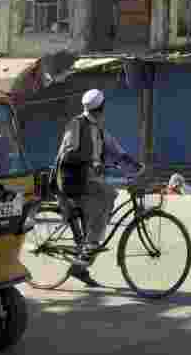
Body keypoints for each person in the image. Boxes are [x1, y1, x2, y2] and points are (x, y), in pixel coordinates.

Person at [54, 89, 143, 287]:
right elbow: (66, 154)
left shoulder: (98, 128)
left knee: (102, 207)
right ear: (102, 107)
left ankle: (81, 264)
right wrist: (91, 162)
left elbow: (116, 150)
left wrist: (135, 165)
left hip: (89, 179)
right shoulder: (77, 125)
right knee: (108, 194)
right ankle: (92, 242)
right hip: (73, 179)